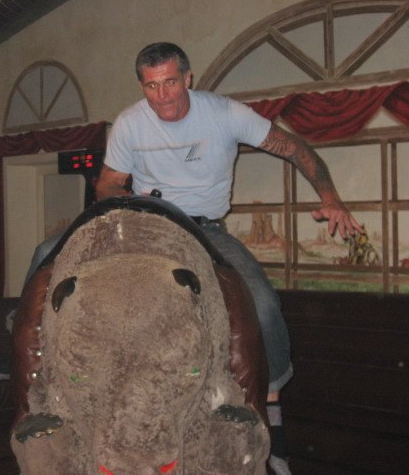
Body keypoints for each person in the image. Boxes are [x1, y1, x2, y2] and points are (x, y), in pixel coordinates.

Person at [92, 42, 362, 475]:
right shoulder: (129, 123)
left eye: (171, 82)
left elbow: (296, 149)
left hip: (207, 228)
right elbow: (107, 183)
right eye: (152, 86)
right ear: (142, 86)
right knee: (49, 252)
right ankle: (25, 351)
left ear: (188, 78)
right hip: (150, 225)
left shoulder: (224, 114)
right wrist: (124, 201)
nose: (162, 96)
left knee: (263, 304)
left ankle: (272, 407)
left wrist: (330, 198)